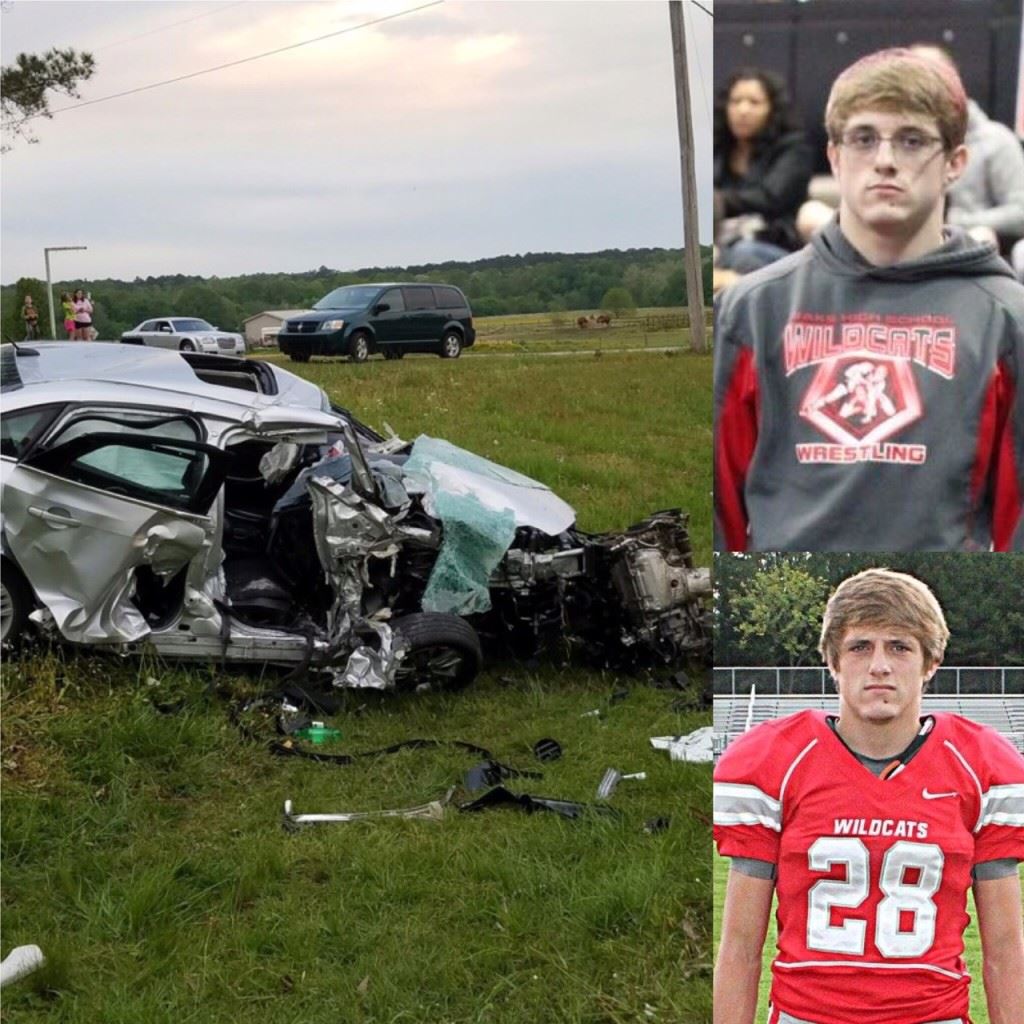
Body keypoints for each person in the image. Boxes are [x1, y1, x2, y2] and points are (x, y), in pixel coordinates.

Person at [714, 48, 1024, 551]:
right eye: (863, 138)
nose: (884, 160)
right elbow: (716, 518)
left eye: (912, 140)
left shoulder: (1007, 319)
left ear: (954, 163)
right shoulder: (751, 310)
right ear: (834, 157)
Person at [713, 568, 1024, 1024]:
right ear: (834, 662)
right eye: (860, 646)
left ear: (930, 664)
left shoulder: (978, 765)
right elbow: (740, 946)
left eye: (899, 646)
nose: (879, 664)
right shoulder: (776, 761)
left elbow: (1004, 948)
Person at [911, 44, 1024, 252]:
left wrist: (959, 220)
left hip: (977, 250)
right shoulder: (898, 145)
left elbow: (1021, 212)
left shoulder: (996, 139)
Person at [714, 68, 814, 275]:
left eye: (754, 102)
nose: (743, 110)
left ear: (772, 109)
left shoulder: (794, 149)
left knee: (743, 254)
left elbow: (771, 197)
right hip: (722, 243)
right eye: (735, 101)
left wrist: (720, 200)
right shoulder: (718, 150)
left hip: (775, 245)